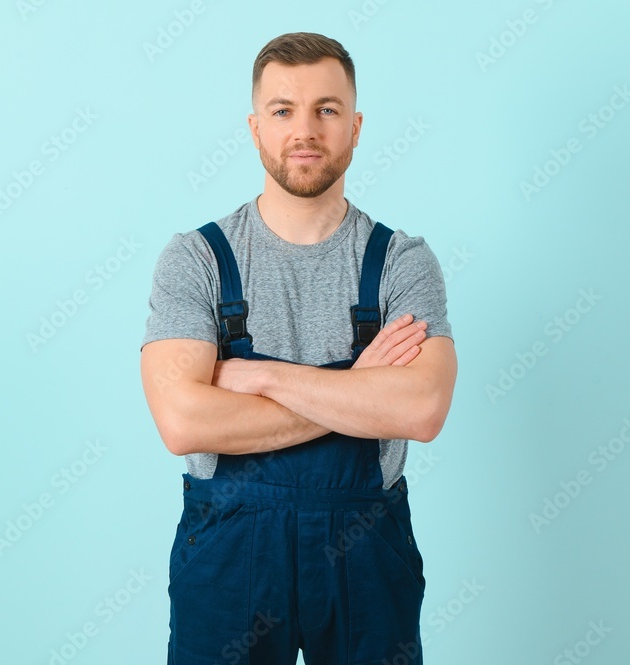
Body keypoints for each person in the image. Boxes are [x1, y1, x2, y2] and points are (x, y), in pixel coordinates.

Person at [141, 31, 457, 665]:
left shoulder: (404, 262)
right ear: (256, 127)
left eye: (327, 109)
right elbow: (182, 423)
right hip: (231, 554)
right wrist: (358, 385)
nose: (305, 129)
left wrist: (257, 378)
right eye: (284, 110)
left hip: (367, 552)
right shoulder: (196, 259)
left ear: (357, 126)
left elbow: (420, 410)